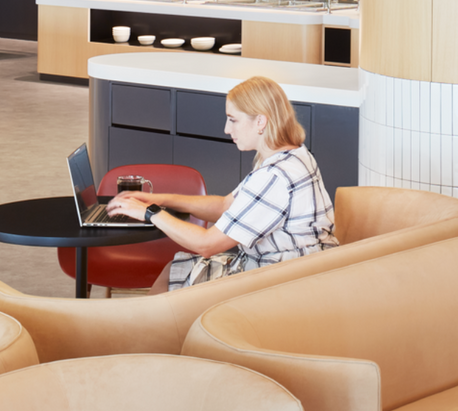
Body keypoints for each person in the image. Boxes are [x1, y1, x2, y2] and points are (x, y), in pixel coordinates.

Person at [109, 75, 337, 289]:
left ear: (260, 121)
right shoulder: (291, 154)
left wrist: (150, 212)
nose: (227, 129)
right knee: (174, 271)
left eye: (233, 120)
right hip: (297, 269)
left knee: (176, 273)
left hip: (278, 281)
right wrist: (157, 198)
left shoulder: (273, 177)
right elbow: (225, 206)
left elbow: (206, 244)